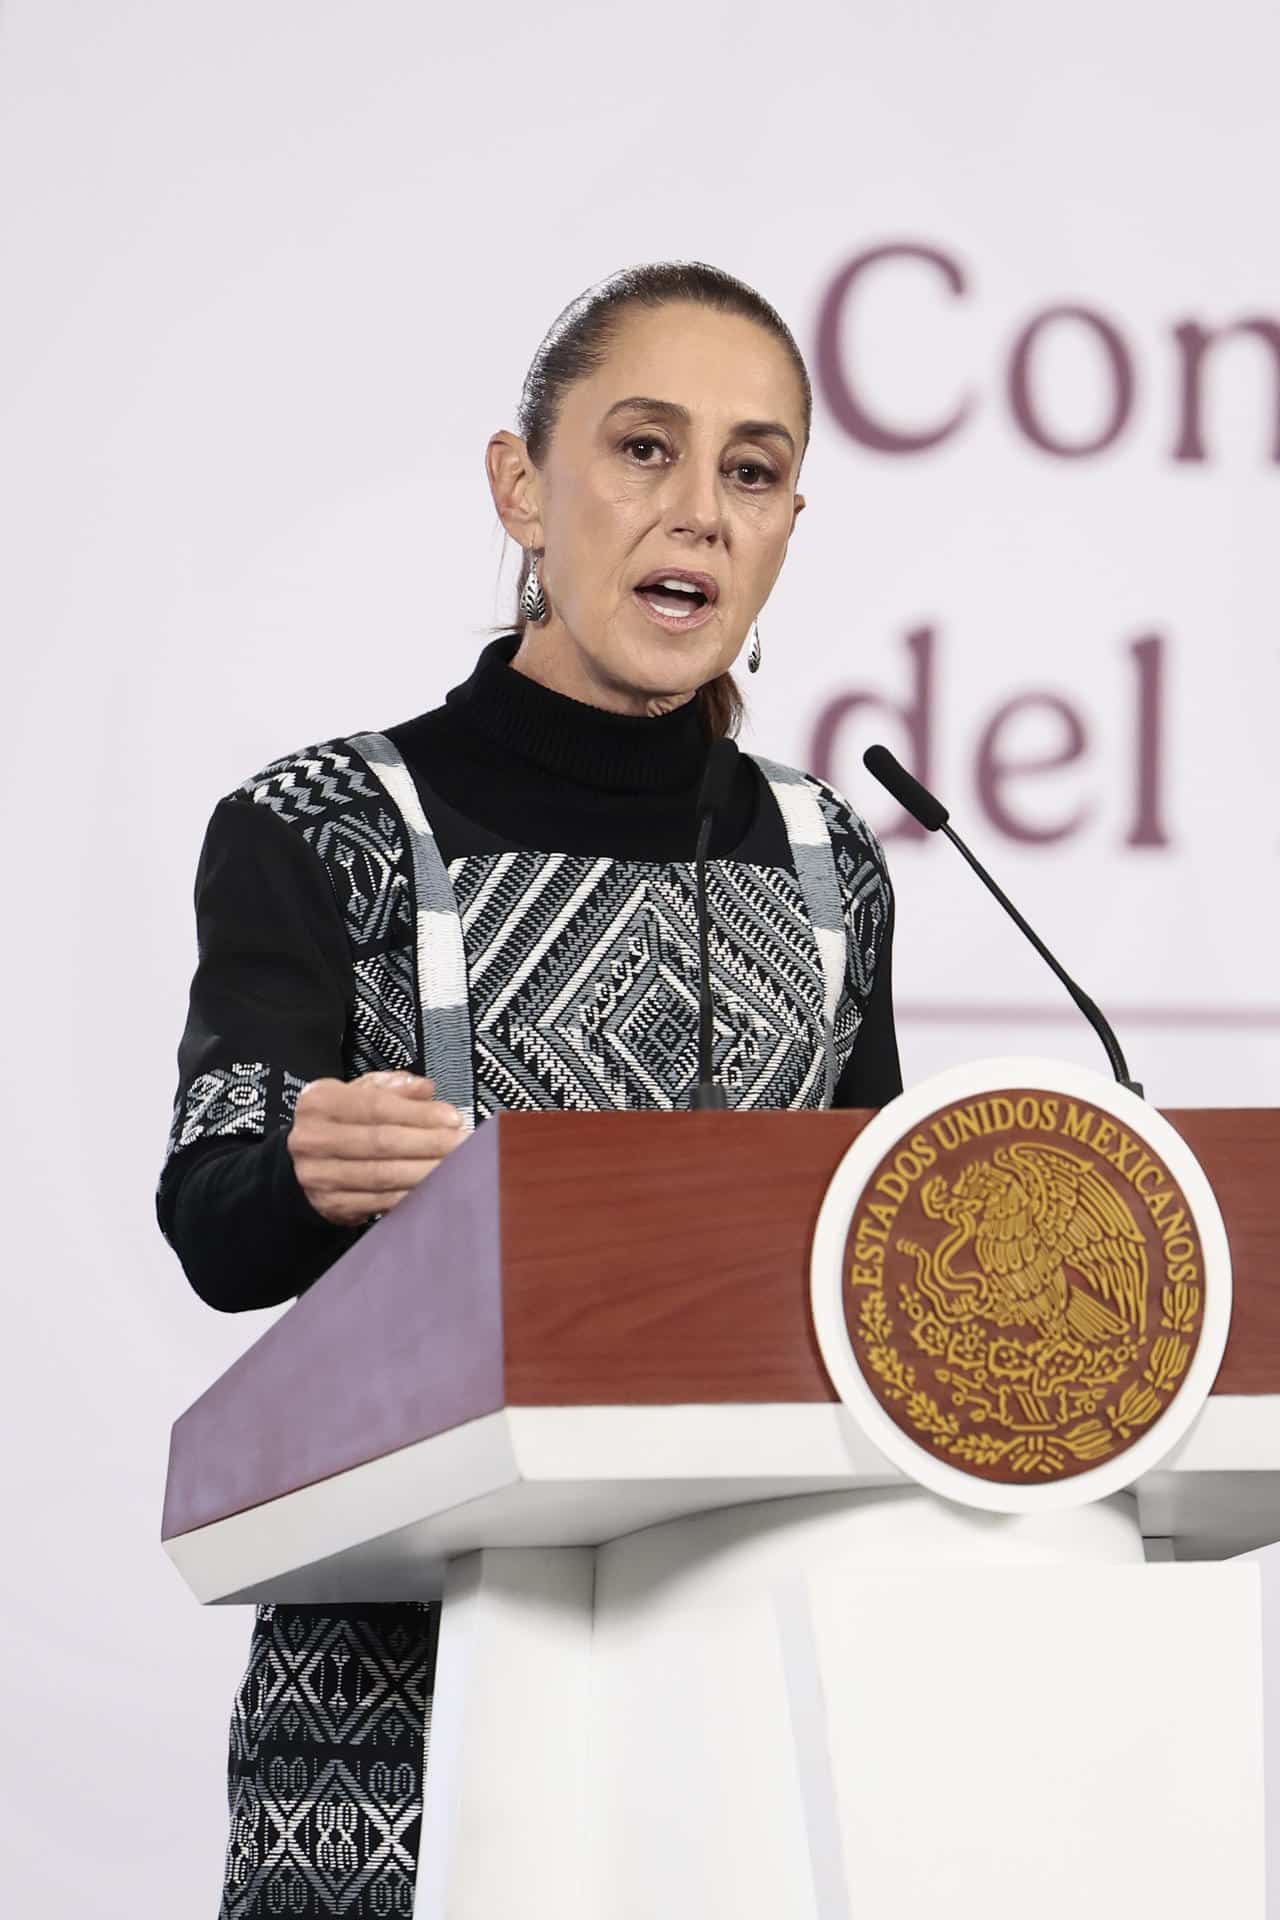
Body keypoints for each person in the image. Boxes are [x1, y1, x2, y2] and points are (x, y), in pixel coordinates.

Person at [156, 259, 902, 1918]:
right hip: (407, 1690)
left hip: (744, 1683)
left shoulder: (829, 859)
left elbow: (872, 1253)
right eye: (645, 449)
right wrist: (306, 1166)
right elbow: (213, 1221)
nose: (699, 511)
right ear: (522, 485)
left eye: (754, 469)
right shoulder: (319, 824)